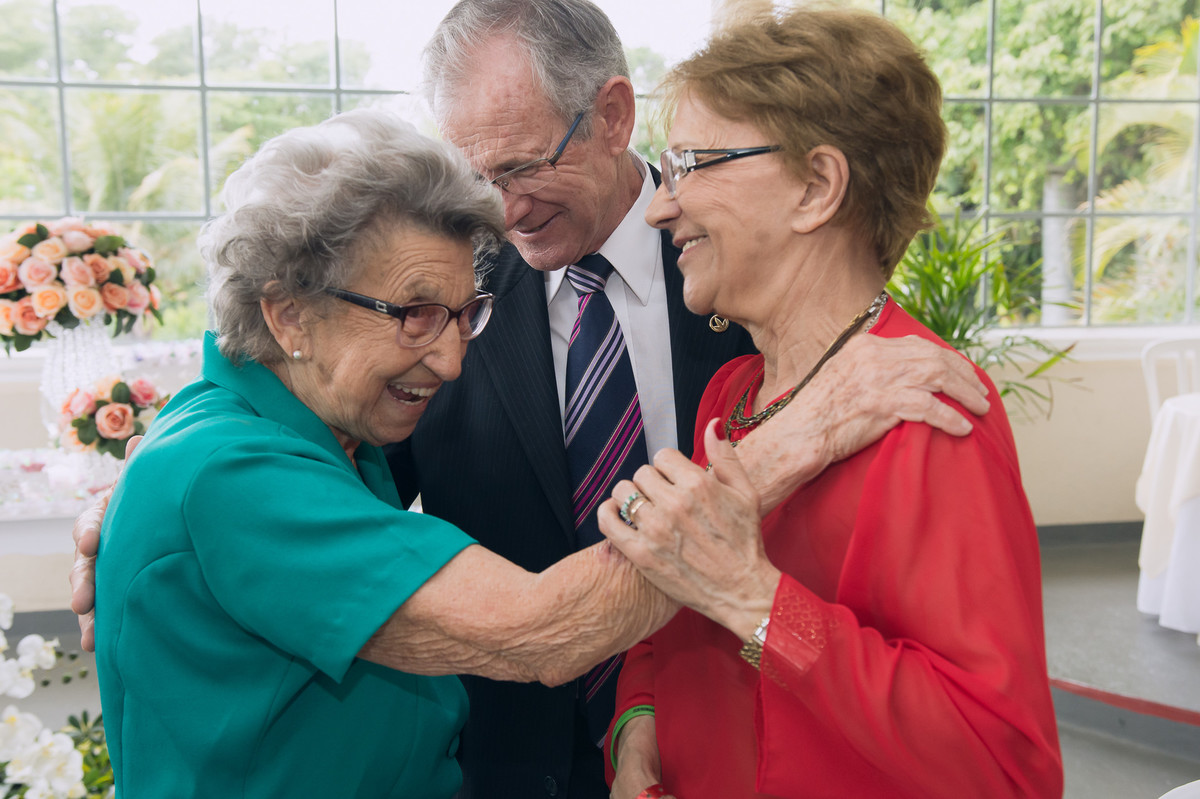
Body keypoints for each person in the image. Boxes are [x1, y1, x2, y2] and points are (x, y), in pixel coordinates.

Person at [73, 3, 991, 798]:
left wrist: (638, 705)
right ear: (290, 315)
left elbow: (980, 734)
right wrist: (158, 511)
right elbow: (299, 476)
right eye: (482, 182)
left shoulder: (745, 309)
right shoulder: (437, 282)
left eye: (518, 169)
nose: (448, 353)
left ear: (612, 116)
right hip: (506, 756)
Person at [91, 109, 681, 798]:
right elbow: (543, 626)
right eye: (414, 314)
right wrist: (776, 454)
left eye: (465, 315)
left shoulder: (334, 435)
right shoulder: (230, 472)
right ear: (290, 314)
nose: (453, 359)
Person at [596, 7, 1063, 799]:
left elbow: (1004, 768)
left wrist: (754, 600)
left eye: (691, 165)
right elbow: (677, 592)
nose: (658, 207)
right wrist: (638, 724)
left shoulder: (931, 416)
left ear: (817, 186)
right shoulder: (731, 392)